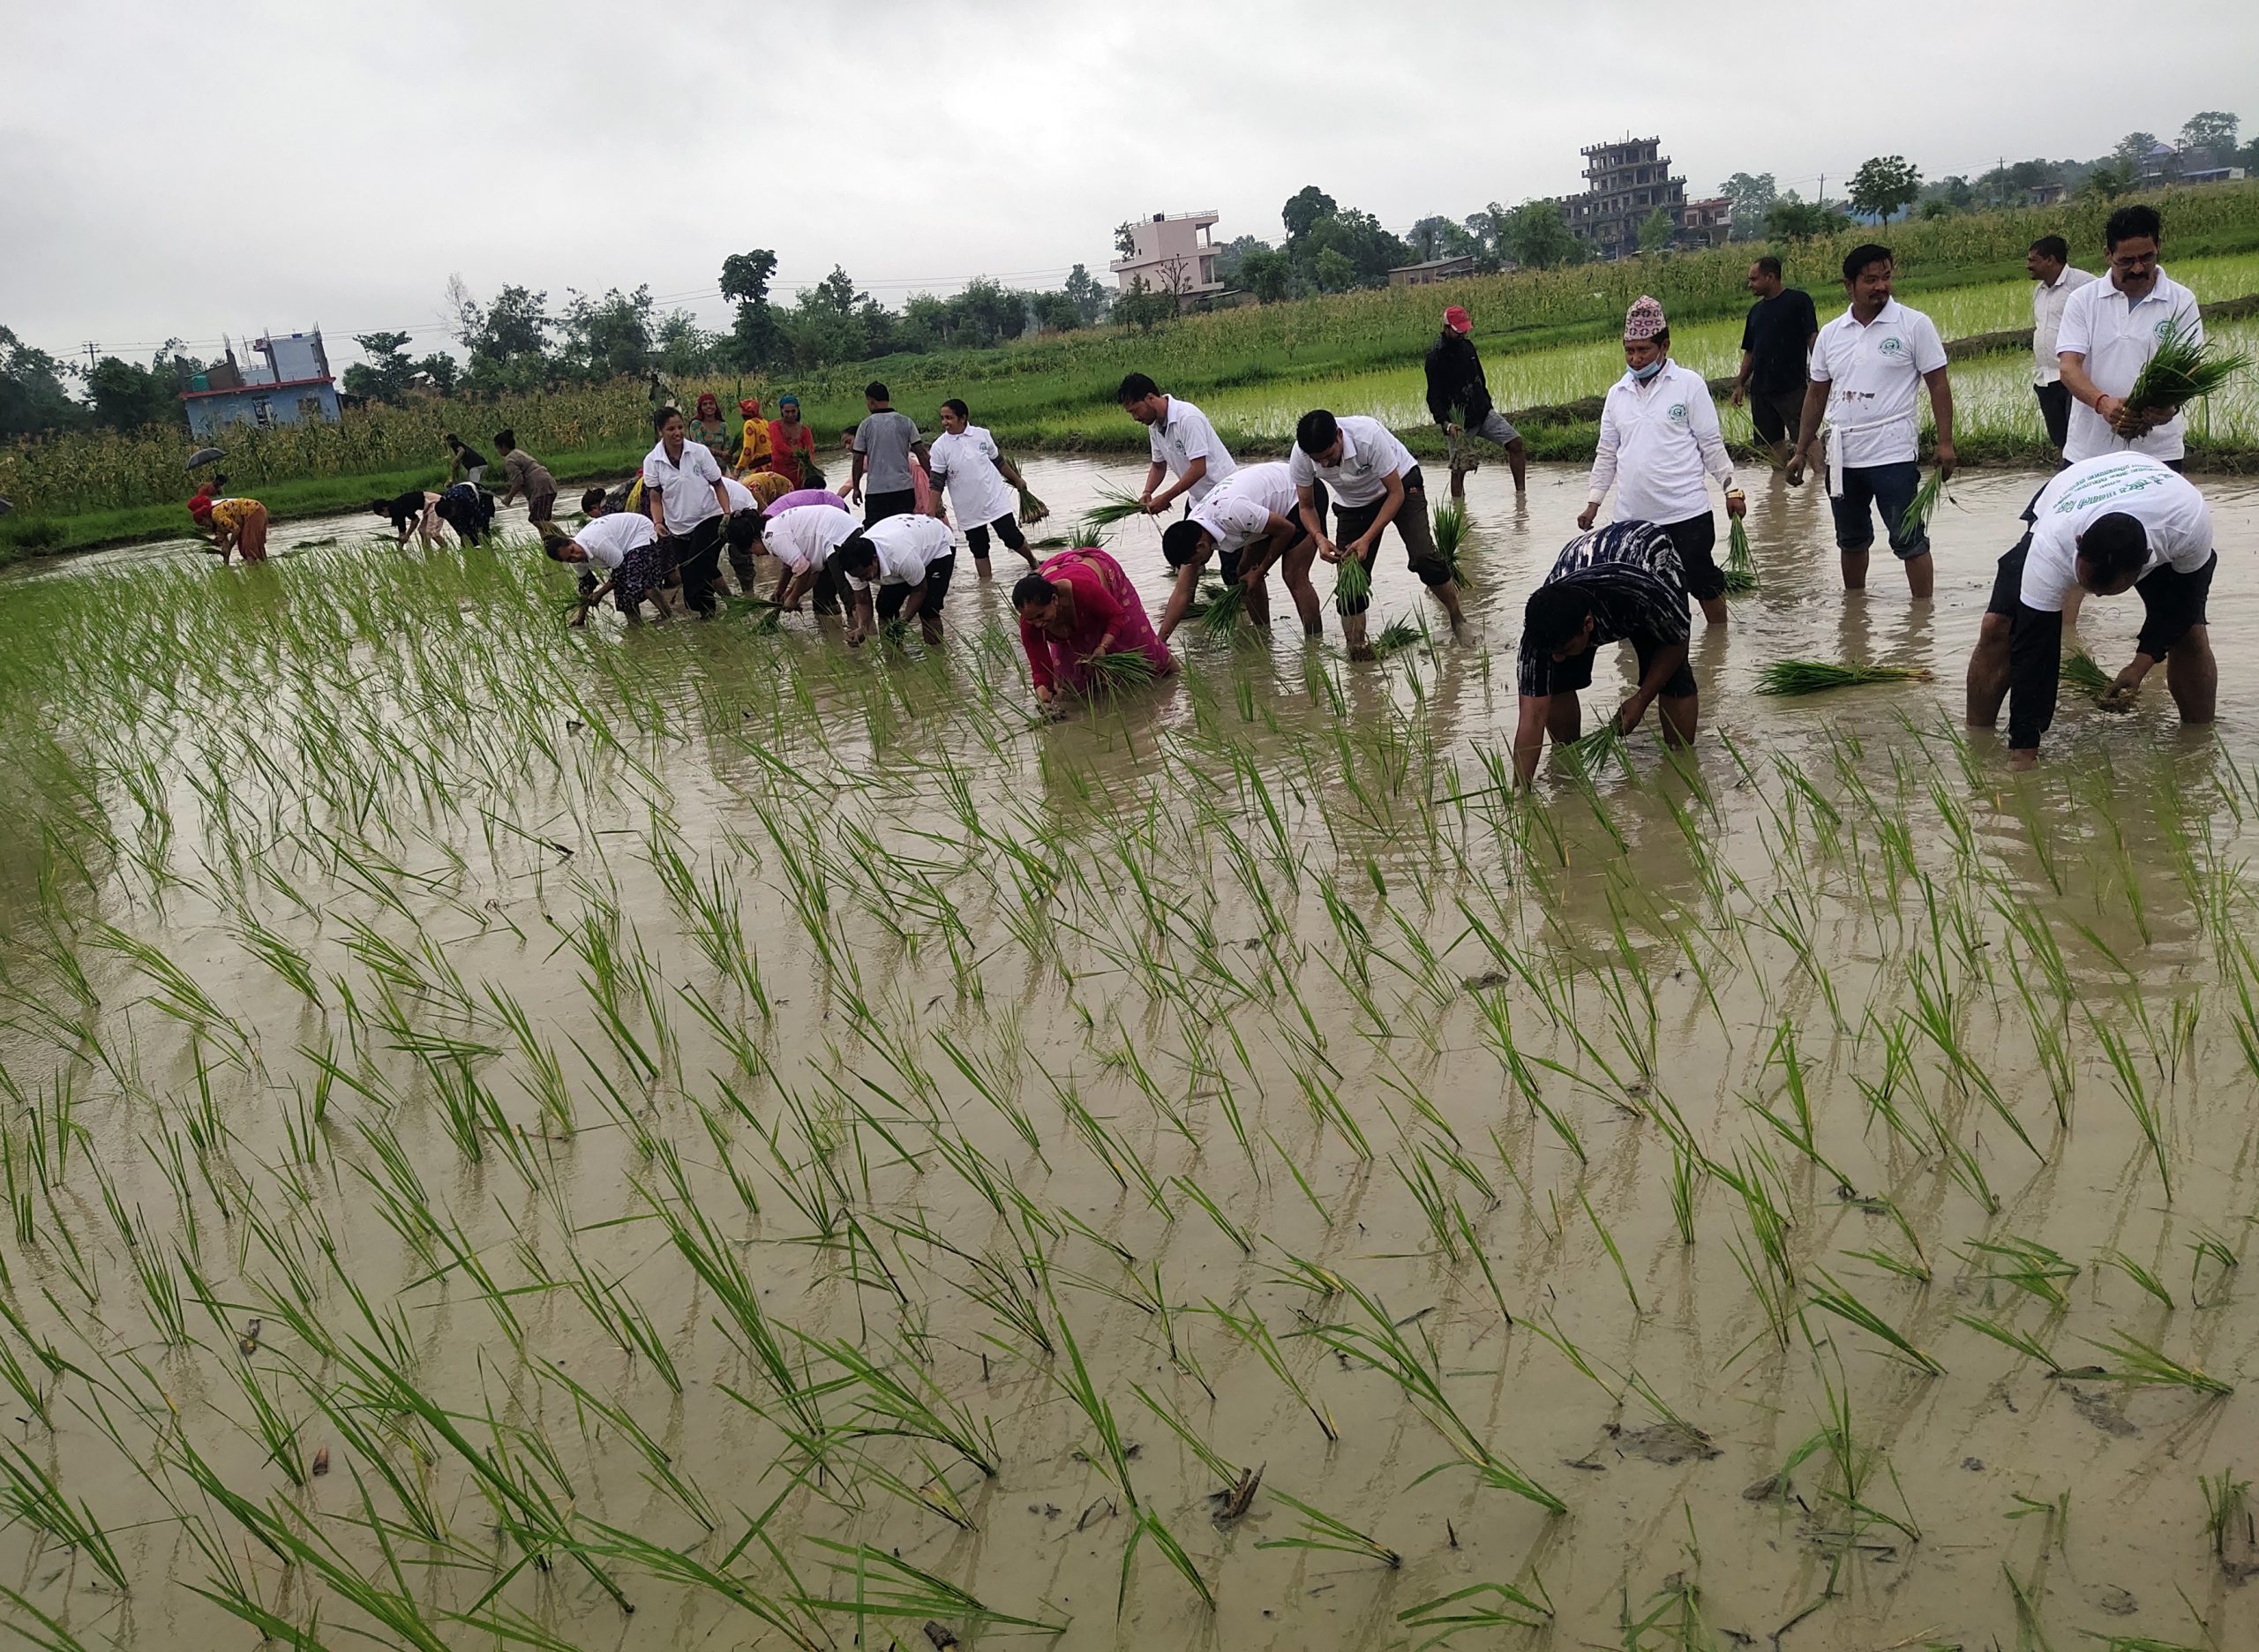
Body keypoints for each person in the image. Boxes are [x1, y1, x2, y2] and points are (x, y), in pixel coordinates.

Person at [1964, 454, 2214, 770]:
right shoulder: (2054, 544)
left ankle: (2200, 744)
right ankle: (1976, 740)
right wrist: (2024, 748)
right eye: (2086, 583)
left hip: (2157, 492)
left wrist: (2140, 665)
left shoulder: (2187, 525)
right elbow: (2034, 650)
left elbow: (2180, 605)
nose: (2092, 595)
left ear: (2146, 564)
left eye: (2106, 591)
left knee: (2191, 632)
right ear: (2079, 544)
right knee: (1998, 626)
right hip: (2073, 491)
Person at [1788, 244, 1955, 599]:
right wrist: (1801, 450)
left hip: (1892, 452)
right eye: (1871, 280)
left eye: (1886, 277)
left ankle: (1923, 617)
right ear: (1849, 286)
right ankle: (1855, 611)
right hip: (1843, 456)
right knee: (1850, 541)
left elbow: (1938, 384)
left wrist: (1945, 443)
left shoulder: (1913, 325)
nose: (1881, 286)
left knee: (1909, 539)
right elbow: (1816, 395)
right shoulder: (1832, 334)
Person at [1579, 297, 1744, 629]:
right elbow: (1607, 452)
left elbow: (1710, 444)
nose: (1636, 359)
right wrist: (1593, 503)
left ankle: (1718, 642)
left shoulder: (1688, 385)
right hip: (1632, 518)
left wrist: (1732, 488)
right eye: (1629, 351)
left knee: (1701, 580)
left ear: (1664, 345)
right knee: (1635, 589)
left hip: (1686, 512)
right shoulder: (1617, 394)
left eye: (1643, 350)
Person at [1512, 522, 1695, 785]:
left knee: (1674, 675)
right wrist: (1520, 795)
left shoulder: (1641, 593)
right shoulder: (1540, 632)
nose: (1558, 657)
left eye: (1563, 649)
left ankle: (1681, 766)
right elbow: (1531, 717)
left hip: (1646, 554)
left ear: (1588, 624)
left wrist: (1642, 699)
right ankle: (1568, 758)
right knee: (1556, 679)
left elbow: (1678, 639)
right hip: (1582, 562)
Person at [1291, 409, 1462, 657]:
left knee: (1424, 558)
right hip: (1353, 503)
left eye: (1329, 456)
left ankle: (1457, 618)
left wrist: (1367, 539)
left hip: (1401, 485)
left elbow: (1396, 494)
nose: (1324, 464)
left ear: (1339, 436)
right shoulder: (1302, 455)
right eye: (1319, 461)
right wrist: (1318, 538)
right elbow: (1306, 506)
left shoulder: (1367, 436)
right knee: (1350, 583)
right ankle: (1358, 651)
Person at [2057, 204, 2203, 470]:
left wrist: (2169, 407)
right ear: (2107, 254)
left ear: (2158, 246)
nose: (2138, 268)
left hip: (2158, 453)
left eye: (2146, 258)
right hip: (2089, 454)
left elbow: (2190, 369)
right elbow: (2068, 367)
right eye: (2126, 261)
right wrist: (2103, 404)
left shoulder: (2180, 301)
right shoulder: (2083, 300)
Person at [1154, 462, 1325, 641]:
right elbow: (1182, 593)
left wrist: (1260, 571)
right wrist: (1160, 642)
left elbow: (1286, 530)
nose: (1194, 566)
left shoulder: (1231, 513)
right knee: (1244, 573)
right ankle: (1263, 636)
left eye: (1193, 561)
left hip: (1299, 493)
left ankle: (1314, 643)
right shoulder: (1193, 528)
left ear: (1201, 546)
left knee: (1293, 575)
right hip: (1265, 511)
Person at [1013, 548, 1177, 709]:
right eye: (1030, 619)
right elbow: (1040, 668)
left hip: (1103, 577)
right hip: (1065, 591)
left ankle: (1179, 681)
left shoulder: (1083, 589)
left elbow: (1116, 616)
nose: (1037, 624)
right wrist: (1044, 697)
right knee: (1071, 688)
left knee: (1150, 656)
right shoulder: (1030, 622)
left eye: (1041, 616)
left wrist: (1102, 647)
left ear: (1054, 600)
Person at [1424, 304, 1527, 497]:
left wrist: (1486, 402)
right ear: (1446, 328)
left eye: (1464, 329)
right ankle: (1459, 511)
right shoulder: (1435, 358)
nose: (1462, 334)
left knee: (1515, 443)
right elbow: (1433, 397)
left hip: (1483, 413)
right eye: (1457, 331)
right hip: (1459, 424)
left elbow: (1479, 378)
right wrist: (1447, 425)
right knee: (1459, 468)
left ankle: (1521, 497)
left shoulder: (1468, 347)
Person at [642, 406, 733, 617]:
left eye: (680, 427)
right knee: (698, 568)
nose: (677, 433)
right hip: (678, 526)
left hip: (708, 517)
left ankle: (704, 612)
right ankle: (716, 610)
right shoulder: (652, 461)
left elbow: (719, 484)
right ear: (660, 432)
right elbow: (655, 498)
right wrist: (658, 523)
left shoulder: (699, 452)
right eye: (671, 429)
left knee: (695, 566)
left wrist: (727, 513)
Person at [928, 399, 1036, 577]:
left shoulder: (982, 435)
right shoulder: (940, 446)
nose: (944, 422)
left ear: (963, 418)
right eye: (942, 418)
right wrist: (931, 510)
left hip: (993, 498)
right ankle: (987, 587)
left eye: (949, 418)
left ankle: (1032, 561)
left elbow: (998, 462)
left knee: (1011, 537)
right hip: (968, 506)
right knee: (979, 547)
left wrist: (1017, 480)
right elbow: (937, 481)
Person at [1730, 257, 1820, 467]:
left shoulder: (1799, 301)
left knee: (1806, 437)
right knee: (1772, 443)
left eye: (1754, 279)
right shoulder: (1755, 312)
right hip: (1761, 389)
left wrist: (1821, 373)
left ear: (1770, 277)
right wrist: (1740, 383)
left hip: (1791, 386)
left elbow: (1812, 337)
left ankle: (1821, 481)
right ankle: (1778, 490)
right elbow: (1750, 352)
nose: (1750, 284)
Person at [833, 513, 957, 646]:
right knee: (885, 608)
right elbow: (863, 602)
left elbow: (920, 590)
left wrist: (902, 624)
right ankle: (893, 659)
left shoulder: (900, 557)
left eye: (865, 574)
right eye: (858, 577)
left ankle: (938, 657)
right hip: (905, 537)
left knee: (928, 609)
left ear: (875, 559)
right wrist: (862, 628)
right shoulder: (854, 569)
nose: (863, 580)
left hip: (937, 544)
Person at [1120, 372, 1236, 514]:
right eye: (1131, 413)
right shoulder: (1154, 425)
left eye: (1136, 410)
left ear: (1150, 398)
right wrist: (1147, 492)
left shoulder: (1187, 418)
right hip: (1198, 500)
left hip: (1225, 495)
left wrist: (1165, 498)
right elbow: (1158, 466)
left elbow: (1199, 468)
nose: (1135, 418)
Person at [2027, 236, 2095, 461]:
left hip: (2071, 377)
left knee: (2080, 440)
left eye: (2033, 260)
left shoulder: (2083, 285)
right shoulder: (2039, 291)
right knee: (2060, 440)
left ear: (2050, 260)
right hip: (2045, 379)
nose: (2028, 265)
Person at [544, 512, 679, 625]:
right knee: (622, 595)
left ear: (572, 541)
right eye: (569, 559)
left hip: (639, 531)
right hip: (623, 544)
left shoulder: (597, 543)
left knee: (637, 580)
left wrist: (600, 594)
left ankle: (667, 616)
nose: (576, 556)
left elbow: (620, 571)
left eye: (573, 550)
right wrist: (581, 618)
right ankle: (636, 627)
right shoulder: (575, 562)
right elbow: (586, 586)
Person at [849, 383, 930, 524]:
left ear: (871, 401)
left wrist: (856, 488)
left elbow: (857, 459)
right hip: (904, 489)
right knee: (904, 529)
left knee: (878, 533)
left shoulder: (865, 425)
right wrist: (933, 481)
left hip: (876, 491)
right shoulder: (906, 422)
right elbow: (921, 454)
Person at [765, 495, 861, 612]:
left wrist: (793, 597)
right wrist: (787, 593)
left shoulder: (771, 535)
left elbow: (802, 569)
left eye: (751, 551)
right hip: (835, 523)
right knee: (836, 590)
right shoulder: (773, 527)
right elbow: (811, 572)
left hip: (835, 528)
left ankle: (860, 627)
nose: (756, 555)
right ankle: (844, 622)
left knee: (846, 590)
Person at [493, 430, 559, 524]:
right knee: (542, 520)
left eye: (497, 448)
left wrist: (509, 497)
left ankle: (565, 538)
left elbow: (518, 482)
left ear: (503, 446)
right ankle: (551, 538)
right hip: (547, 484)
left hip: (541, 487)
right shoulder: (518, 453)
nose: (498, 451)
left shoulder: (510, 460)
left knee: (537, 520)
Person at [193, 490, 271, 563]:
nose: (206, 527)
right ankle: (265, 567)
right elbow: (225, 549)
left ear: (205, 517)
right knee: (248, 548)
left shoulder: (216, 515)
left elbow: (236, 530)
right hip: (251, 514)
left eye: (204, 524)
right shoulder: (218, 528)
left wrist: (230, 545)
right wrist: (226, 564)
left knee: (249, 548)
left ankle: (255, 572)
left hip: (253, 510)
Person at [768, 394, 817, 487]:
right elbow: (779, 446)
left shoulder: (805, 430)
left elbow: (810, 451)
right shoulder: (774, 426)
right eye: (787, 412)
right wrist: (798, 454)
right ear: (781, 411)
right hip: (780, 474)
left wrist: (812, 468)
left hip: (800, 474)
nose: (790, 415)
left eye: (793, 411)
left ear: (798, 410)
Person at [370, 489, 444, 549]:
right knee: (422, 530)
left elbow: (416, 520)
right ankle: (428, 552)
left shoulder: (398, 508)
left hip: (436, 503)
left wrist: (407, 536)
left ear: (385, 509)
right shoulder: (396, 511)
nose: (385, 517)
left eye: (382, 515)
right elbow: (402, 533)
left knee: (431, 532)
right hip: (428, 507)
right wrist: (400, 547)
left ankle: (444, 548)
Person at [687, 394, 732, 467]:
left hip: (721, 465)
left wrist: (727, 455)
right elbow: (700, 447)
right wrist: (720, 454)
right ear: (701, 408)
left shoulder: (723, 425)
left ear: (715, 406)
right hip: (702, 464)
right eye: (705, 404)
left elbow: (727, 444)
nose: (708, 406)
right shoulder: (696, 424)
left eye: (711, 403)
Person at [732, 398, 772, 476]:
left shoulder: (749, 424)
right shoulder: (765, 422)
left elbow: (748, 450)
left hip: (760, 467)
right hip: (771, 464)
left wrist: (738, 468)